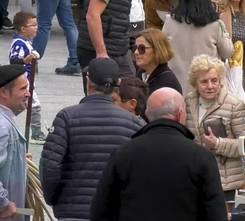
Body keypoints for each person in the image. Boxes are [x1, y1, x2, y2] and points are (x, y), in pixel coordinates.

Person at [90, 88, 227, 221]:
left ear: (148, 115)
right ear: (180, 114)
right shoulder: (201, 157)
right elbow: (216, 213)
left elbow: (101, 209)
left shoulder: (123, 153)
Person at [40, 58, 142, 220]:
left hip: (72, 210)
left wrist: (53, 199)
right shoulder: (135, 124)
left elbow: (50, 165)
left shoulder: (66, 117)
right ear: (118, 83)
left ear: (88, 81)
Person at [184, 55, 245, 200]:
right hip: (196, 180)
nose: (210, 86)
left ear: (221, 81)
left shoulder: (235, 105)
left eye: (214, 80)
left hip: (226, 184)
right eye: (204, 81)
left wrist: (218, 144)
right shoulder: (188, 102)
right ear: (195, 83)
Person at [163, 0, 233, 95]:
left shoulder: (169, 22)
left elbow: (163, 51)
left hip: (176, 88)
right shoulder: (215, 25)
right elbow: (228, 52)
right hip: (208, 89)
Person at [0, 64, 29, 221]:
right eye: (23, 88)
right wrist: (3, 204)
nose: (28, 94)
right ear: (4, 92)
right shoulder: (2, 126)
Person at [8, 12, 43, 141]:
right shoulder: (19, 43)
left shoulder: (25, 42)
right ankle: (36, 133)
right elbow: (14, 60)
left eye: (36, 24)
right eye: (33, 25)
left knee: (21, 106)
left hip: (27, 80)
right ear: (23, 28)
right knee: (34, 106)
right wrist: (26, 60)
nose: (36, 27)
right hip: (24, 81)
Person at [134, 28, 182, 94]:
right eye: (135, 47)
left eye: (142, 48)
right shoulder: (141, 74)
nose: (136, 52)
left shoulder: (167, 83)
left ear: (157, 50)